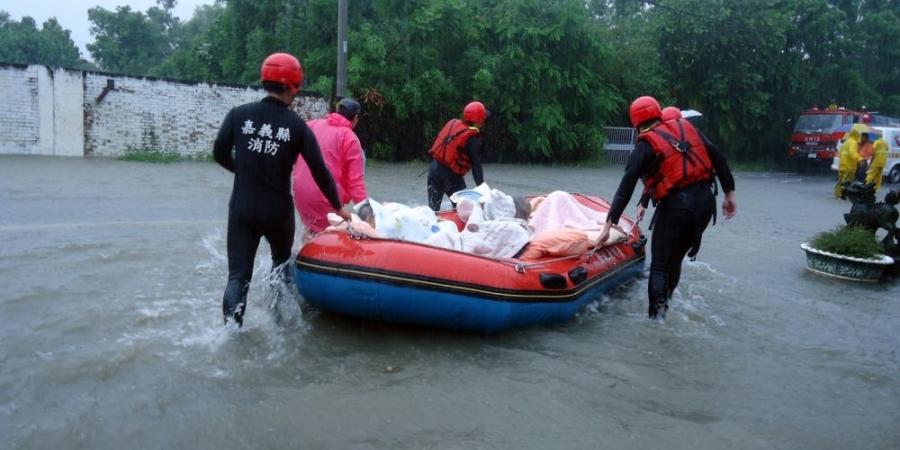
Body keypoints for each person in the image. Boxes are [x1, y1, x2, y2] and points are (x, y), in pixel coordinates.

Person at [213, 52, 349, 327]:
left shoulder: (239, 115)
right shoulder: (297, 126)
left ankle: (230, 334)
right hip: (278, 212)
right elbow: (319, 170)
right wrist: (338, 207)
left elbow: (219, 153)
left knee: (238, 276)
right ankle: (283, 324)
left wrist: (244, 171)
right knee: (280, 268)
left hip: (242, 209)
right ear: (293, 86)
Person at [595, 96, 737, 319]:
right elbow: (719, 159)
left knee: (660, 265)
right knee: (675, 259)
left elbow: (626, 186)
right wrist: (729, 194)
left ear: (635, 123)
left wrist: (609, 224)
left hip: (677, 207)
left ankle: (657, 320)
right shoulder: (686, 127)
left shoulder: (645, 144)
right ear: (658, 114)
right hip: (705, 204)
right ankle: (667, 301)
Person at [293, 97, 367, 236]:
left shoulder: (310, 125)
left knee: (312, 230)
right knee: (331, 236)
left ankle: (303, 252)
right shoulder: (350, 138)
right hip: (327, 197)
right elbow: (356, 183)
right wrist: (367, 214)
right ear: (356, 118)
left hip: (300, 195)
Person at [426, 101, 488, 211]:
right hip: (451, 178)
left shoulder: (454, 124)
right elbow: (476, 167)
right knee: (463, 210)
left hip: (434, 170)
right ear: (479, 121)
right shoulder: (473, 139)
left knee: (433, 211)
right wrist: (483, 190)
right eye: (483, 118)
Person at [836, 126, 863, 198]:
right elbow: (852, 153)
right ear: (856, 135)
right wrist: (860, 159)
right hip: (849, 166)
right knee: (847, 181)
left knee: (841, 180)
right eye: (858, 135)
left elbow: (840, 153)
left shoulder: (846, 142)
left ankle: (837, 194)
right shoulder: (853, 142)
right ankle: (842, 194)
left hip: (842, 165)